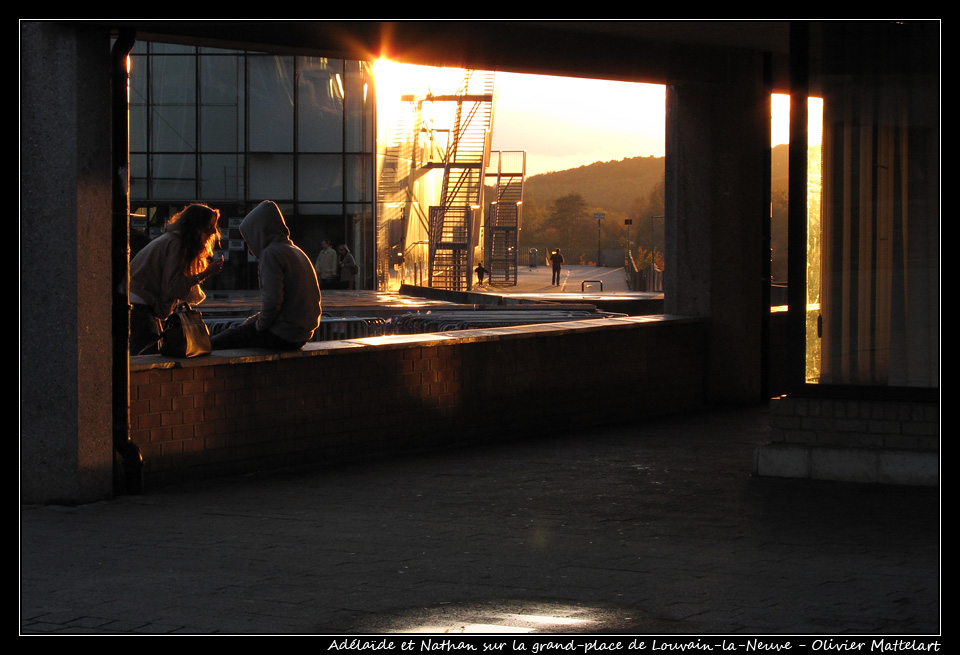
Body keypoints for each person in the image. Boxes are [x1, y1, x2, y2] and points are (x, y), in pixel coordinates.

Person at [211, 200, 321, 350]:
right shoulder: (295, 250)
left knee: (214, 344)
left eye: (249, 240)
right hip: (301, 334)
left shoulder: (271, 254)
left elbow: (273, 301)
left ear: (259, 233)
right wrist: (252, 321)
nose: (249, 247)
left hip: (283, 334)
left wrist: (258, 325)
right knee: (239, 328)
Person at [129, 203, 223, 355]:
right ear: (197, 227)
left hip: (139, 302)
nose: (214, 231)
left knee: (147, 352)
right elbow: (173, 286)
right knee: (146, 357)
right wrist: (204, 274)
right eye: (210, 227)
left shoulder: (171, 240)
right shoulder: (177, 245)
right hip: (140, 304)